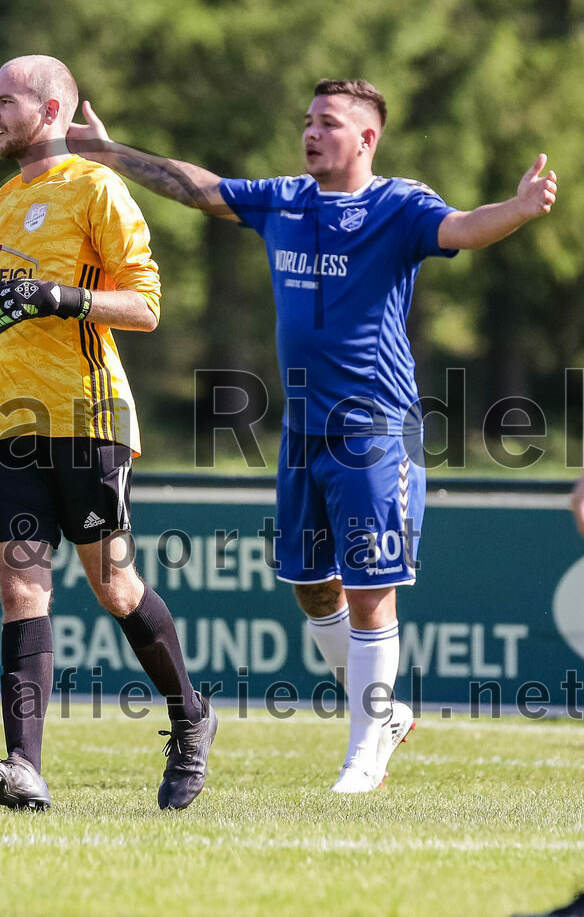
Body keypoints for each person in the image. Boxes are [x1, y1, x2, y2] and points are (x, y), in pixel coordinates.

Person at [66, 79, 557, 793]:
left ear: (367, 139)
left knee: (369, 591)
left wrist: (515, 209)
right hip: (302, 432)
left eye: (329, 122)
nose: (313, 132)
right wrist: (111, 154)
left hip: (374, 431)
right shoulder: (286, 198)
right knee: (311, 589)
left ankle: (366, 750)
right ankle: (380, 711)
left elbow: (462, 227)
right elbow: (202, 188)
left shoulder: (398, 205)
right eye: (308, 120)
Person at [0, 55, 217, 811]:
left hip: (86, 414)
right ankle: (24, 769)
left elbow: (147, 306)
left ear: (53, 106)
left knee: (114, 585)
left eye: (4, 101)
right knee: (21, 588)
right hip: (1, 423)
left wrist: (60, 294)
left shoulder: (96, 188)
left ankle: (191, 719)